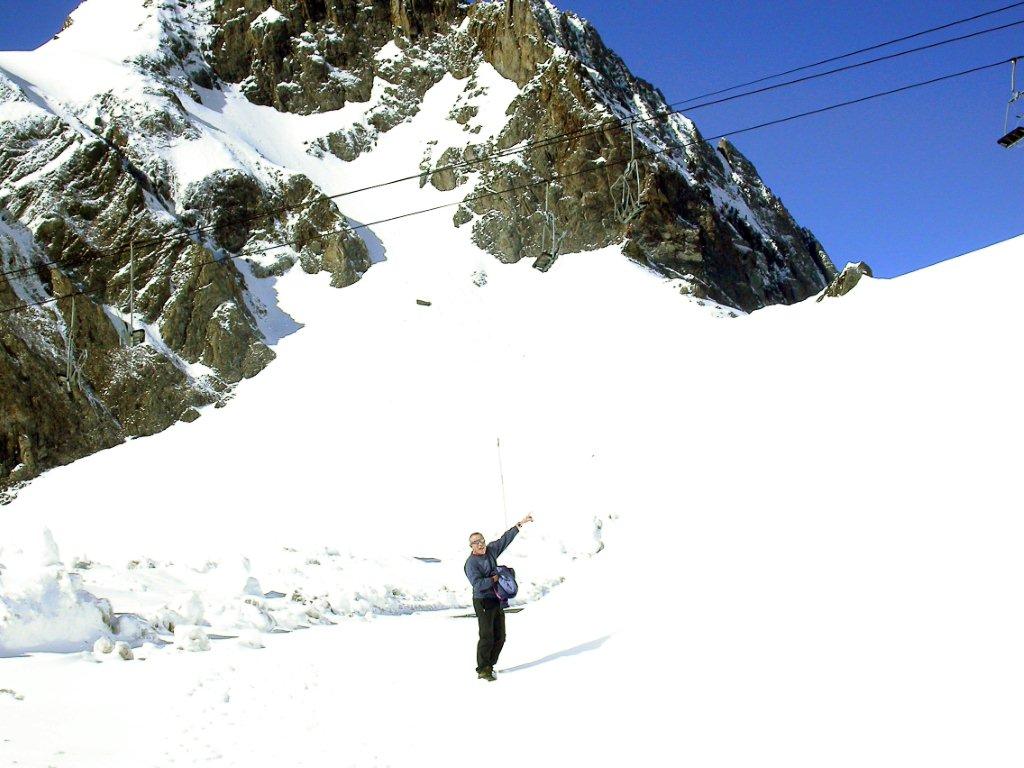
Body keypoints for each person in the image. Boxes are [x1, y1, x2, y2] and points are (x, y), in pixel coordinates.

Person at [464, 514, 533, 681]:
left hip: (496, 598)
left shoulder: (491, 550)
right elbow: (477, 584)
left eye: (482, 540)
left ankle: (490, 664)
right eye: (477, 542)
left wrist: (519, 524)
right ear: (471, 546)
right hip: (482, 600)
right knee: (486, 635)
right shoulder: (471, 563)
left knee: (500, 636)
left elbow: (505, 539)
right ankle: (483, 668)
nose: (481, 544)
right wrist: (493, 579)